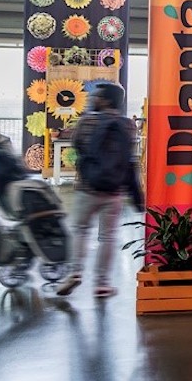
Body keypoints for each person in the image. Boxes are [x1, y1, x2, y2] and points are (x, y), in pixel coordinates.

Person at [56, 82, 141, 299]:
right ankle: (102, 284)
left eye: (97, 96)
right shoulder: (128, 126)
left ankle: (75, 272)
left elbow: (77, 145)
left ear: (105, 100)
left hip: (88, 187)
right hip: (114, 191)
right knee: (108, 237)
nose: (93, 98)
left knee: (80, 230)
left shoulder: (87, 121)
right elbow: (129, 158)